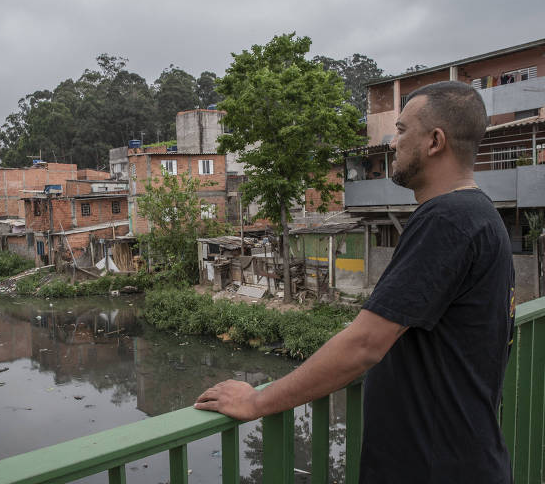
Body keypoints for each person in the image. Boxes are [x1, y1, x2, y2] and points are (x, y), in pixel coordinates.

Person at [194, 81, 514, 483]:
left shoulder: (446, 220)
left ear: (435, 141)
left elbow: (365, 343)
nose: (391, 141)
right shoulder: (484, 216)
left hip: (436, 469)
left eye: (400, 130)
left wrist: (259, 400)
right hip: (467, 457)